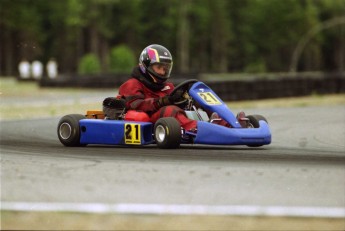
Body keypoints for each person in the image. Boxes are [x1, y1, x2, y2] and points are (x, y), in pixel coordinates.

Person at [116, 44, 198, 133]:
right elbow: (137, 105)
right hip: (148, 122)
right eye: (159, 67)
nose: (163, 72)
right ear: (146, 66)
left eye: (165, 68)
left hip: (169, 124)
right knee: (170, 110)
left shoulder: (168, 87)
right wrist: (161, 101)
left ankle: (214, 123)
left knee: (197, 101)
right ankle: (196, 129)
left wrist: (184, 100)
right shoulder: (132, 84)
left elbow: (177, 104)